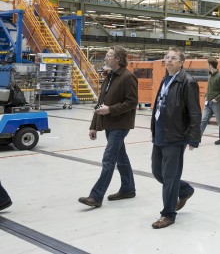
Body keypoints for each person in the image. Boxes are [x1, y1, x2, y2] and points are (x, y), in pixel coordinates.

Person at [79, 46, 138, 209]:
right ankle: (128, 188)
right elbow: (101, 102)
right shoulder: (110, 76)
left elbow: (132, 102)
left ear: (118, 59)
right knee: (121, 158)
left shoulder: (128, 77)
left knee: (108, 159)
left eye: (108, 55)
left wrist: (110, 110)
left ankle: (96, 196)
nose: (105, 58)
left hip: (120, 125)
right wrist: (93, 126)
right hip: (109, 124)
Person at [150, 47, 201, 229]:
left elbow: (195, 112)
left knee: (170, 177)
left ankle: (168, 214)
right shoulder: (166, 79)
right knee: (158, 172)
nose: (169, 60)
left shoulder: (187, 82)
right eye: (167, 57)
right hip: (160, 133)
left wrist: (194, 138)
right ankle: (185, 189)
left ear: (181, 62)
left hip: (175, 136)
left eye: (173, 58)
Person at [200, 58, 220, 145]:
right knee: (203, 120)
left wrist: (217, 99)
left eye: (207, 64)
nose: (206, 66)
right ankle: (196, 139)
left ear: (210, 65)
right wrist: (206, 96)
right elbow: (210, 89)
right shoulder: (210, 76)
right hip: (208, 103)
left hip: (217, 103)